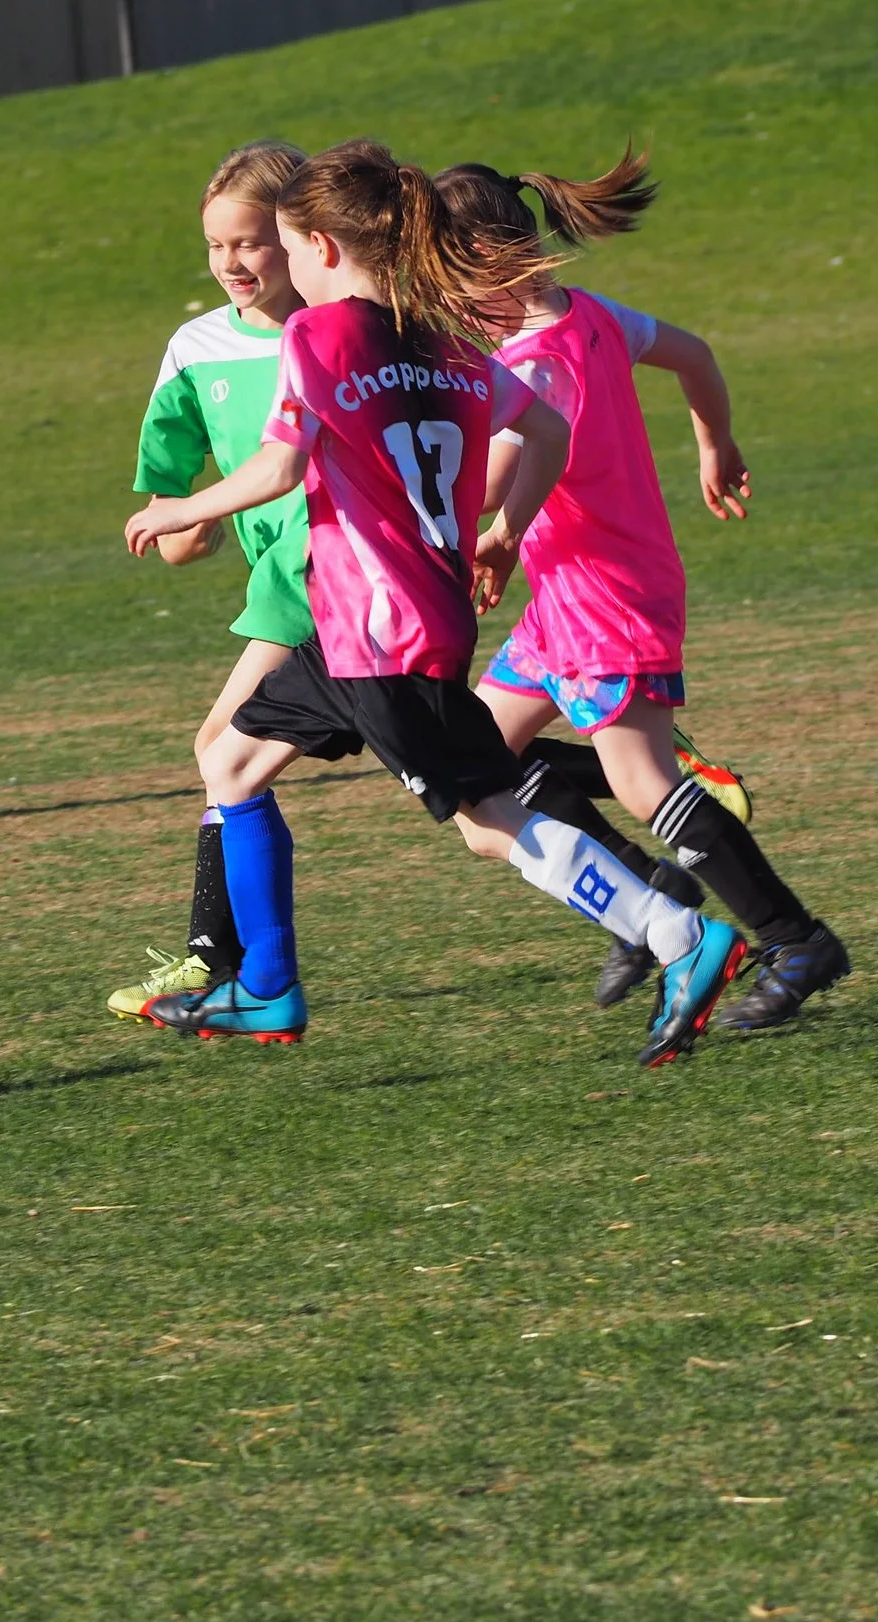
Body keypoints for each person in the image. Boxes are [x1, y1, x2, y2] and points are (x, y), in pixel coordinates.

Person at [124, 140, 747, 1067]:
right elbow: (544, 426)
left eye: (288, 248)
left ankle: (678, 934)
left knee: (491, 826)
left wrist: (183, 506)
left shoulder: (316, 336)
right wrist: (500, 533)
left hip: (379, 635)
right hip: (384, 621)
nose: (280, 268)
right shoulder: (447, 341)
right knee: (232, 762)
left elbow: (280, 466)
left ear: (326, 250)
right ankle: (265, 988)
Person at [439, 155, 849, 1032]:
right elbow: (695, 356)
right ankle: (644, 883)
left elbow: (483, 487)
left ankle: (795, 938)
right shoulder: (591, 318)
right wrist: (716, 443)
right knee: (477, 774)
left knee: (642, 776)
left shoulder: (536, 364)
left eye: (446, 282)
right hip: (565, 600)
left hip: (608, 597)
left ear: (484, 260)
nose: (446, 309)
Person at [110, 141, 317, 1020]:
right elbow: (180, 525)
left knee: (223, 750)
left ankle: (227, 967)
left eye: (252, 242)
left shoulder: (340, 326)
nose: (232, 262)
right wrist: (185, 520)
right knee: (464, 783)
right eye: (216, 247)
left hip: (328, 571)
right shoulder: (193, 351)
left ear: (303, 235)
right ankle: (651, 797)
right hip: (280, 575)